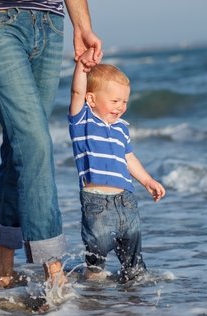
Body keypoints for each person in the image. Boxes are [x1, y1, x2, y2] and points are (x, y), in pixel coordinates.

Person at [0, 0, 102, 289]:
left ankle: (1, 269)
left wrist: (83, 26)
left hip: (49, 22)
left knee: (21, 144)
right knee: (34, 141)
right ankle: (54, 273)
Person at [69, 48, 166, 282]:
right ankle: (93, 280)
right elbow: (76, 91)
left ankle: (134, 285)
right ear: (91, 99)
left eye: (124, 101)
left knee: (133, 254)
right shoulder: (83, 120)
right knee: (97, 248)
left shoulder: (122, 127)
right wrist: (81, 67)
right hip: (97, 202)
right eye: (115, 100)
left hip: (126, 200)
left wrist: (147, 180)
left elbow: (128, 157)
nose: (121, 106)